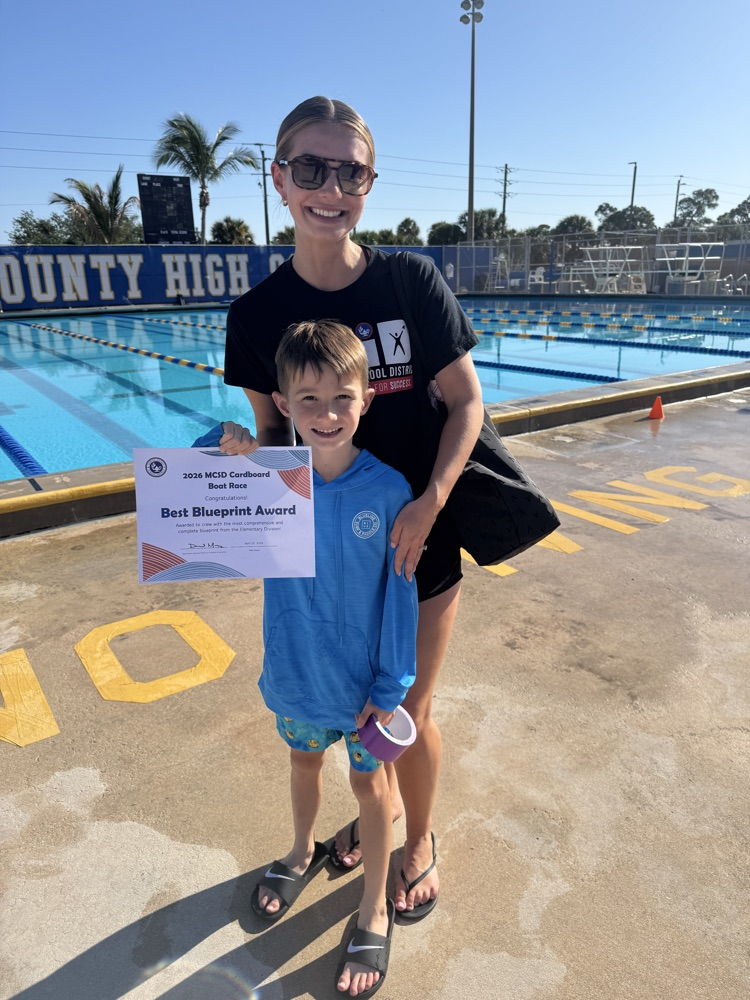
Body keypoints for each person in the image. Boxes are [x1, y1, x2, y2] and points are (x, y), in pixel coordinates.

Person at [221, 95, 485, 924]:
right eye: (310, 168)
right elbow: (275, 442)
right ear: (279, 178)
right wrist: (232, 454)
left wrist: (430, 502)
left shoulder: (410, 280)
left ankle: (415, 840)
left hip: (413, 543)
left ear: (369, 183)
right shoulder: (255, 315)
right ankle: (372, 816)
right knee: (338, 718)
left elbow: (467, 403)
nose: (329, 187)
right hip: (324, 559)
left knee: (404, 713)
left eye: (351, 171)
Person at [247, 319, 418, 997]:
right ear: (283, 404)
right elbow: (193, 490)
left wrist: (392, 685)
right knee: (302, 762)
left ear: (366, 398)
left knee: (372, 787)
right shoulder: (266, 482)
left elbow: (400, 600)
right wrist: (225, 445)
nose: (326, 414)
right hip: (297, 672)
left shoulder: (389, 491)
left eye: (341, 397)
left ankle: (374, 902)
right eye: (308, 400)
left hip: (366, 690)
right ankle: (299, 851)